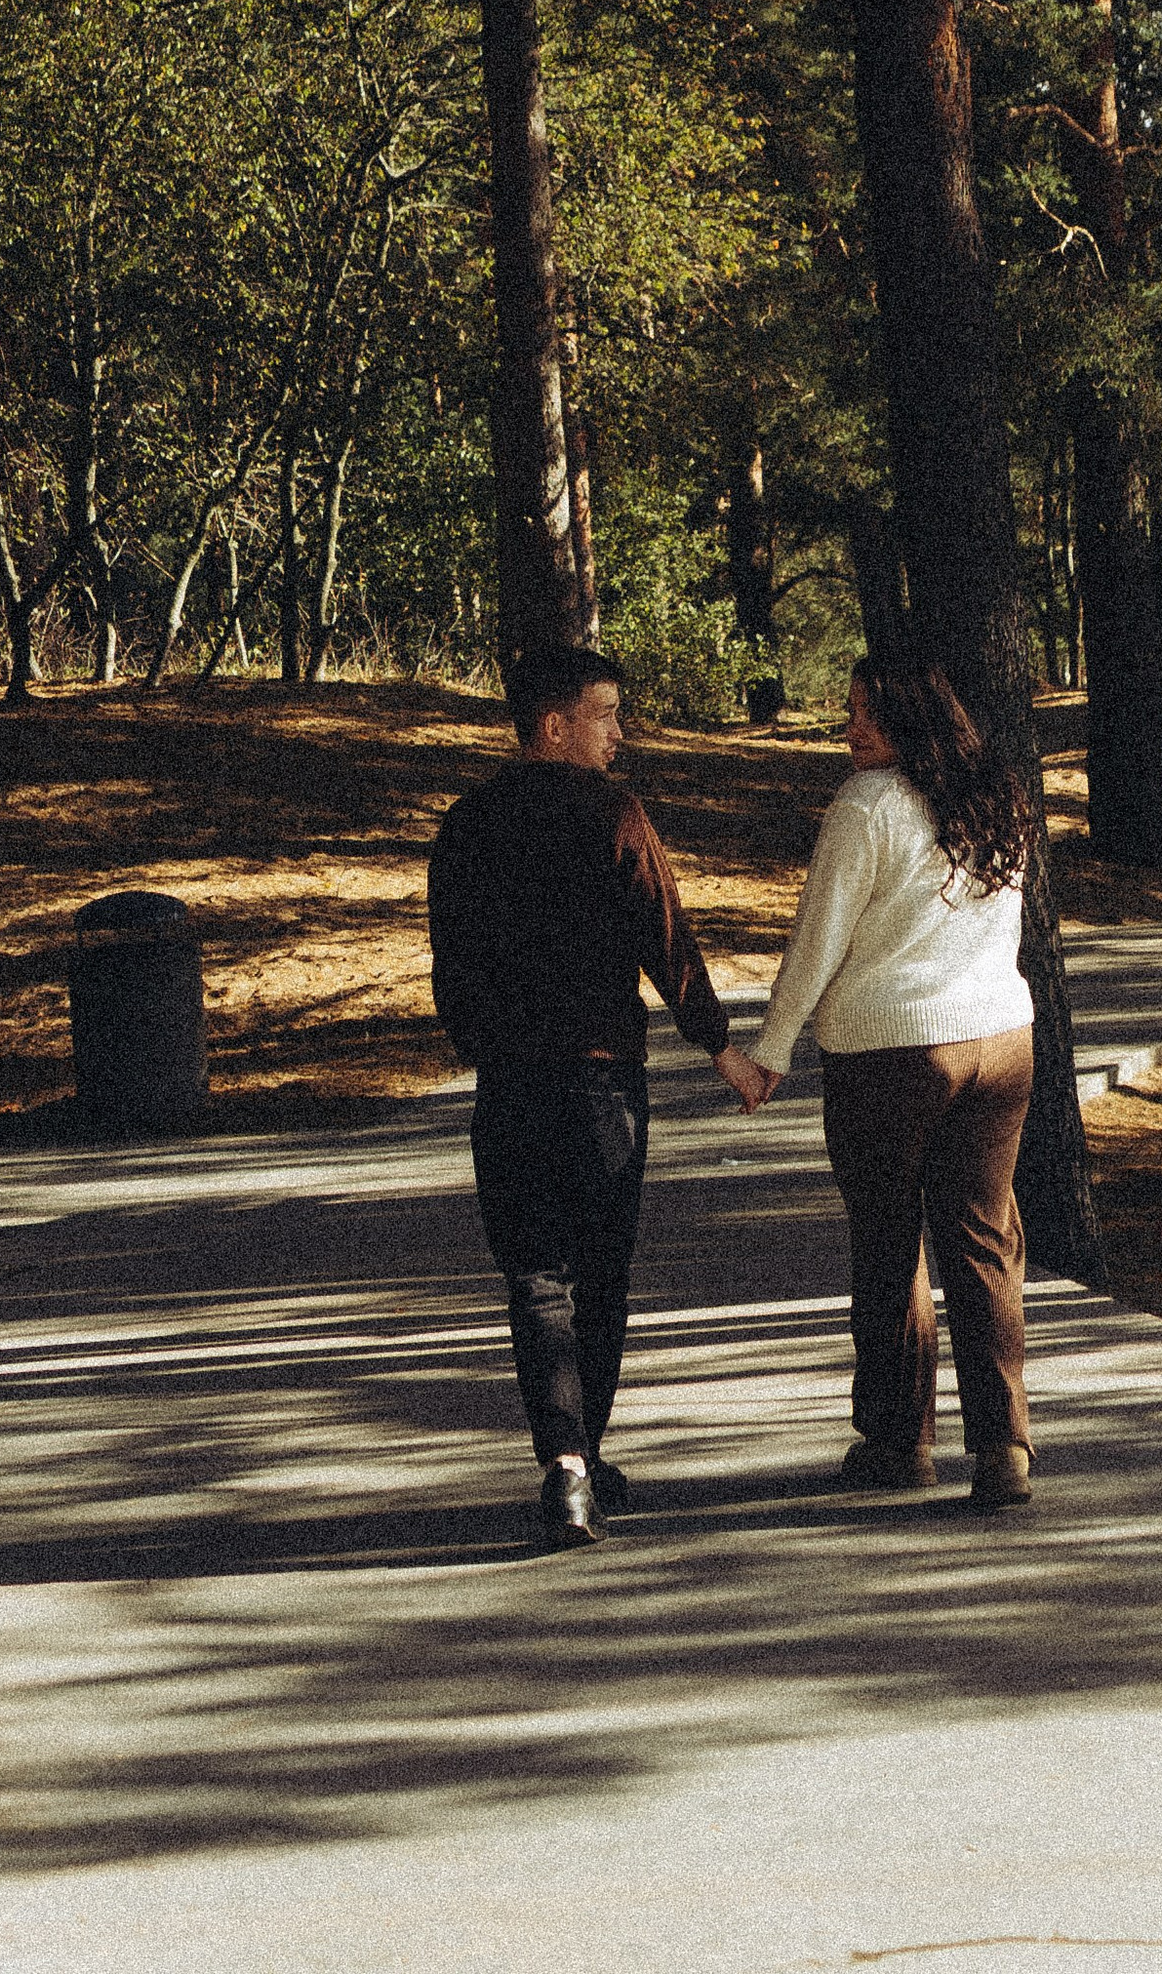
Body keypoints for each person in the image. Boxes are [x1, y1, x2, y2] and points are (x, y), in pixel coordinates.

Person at [428, 638, 768, 1546]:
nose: (620, 733)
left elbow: (449, 970)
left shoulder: (465, 824)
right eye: (605, 715)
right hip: (598, 1085)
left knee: (535, 1277)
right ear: (554, 723)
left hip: (509, 1085)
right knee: (600, 1273)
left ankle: (568, 1464)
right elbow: (667, 939)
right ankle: (584, 1454)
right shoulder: (615, 816)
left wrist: (485, 1043)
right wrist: (721, 1048)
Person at [743, 659, 1039, 1510]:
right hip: (1001, 1042)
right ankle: (1004, 1447)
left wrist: (772, 1047)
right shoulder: (998, 796)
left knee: (887, 1241)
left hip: (892, 1052)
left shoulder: (866, 807)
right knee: (986, 1242)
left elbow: (818, 940)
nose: (851, 728)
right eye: (848, 711)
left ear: (914, 716)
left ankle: (898, 1441)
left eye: (868, 714)